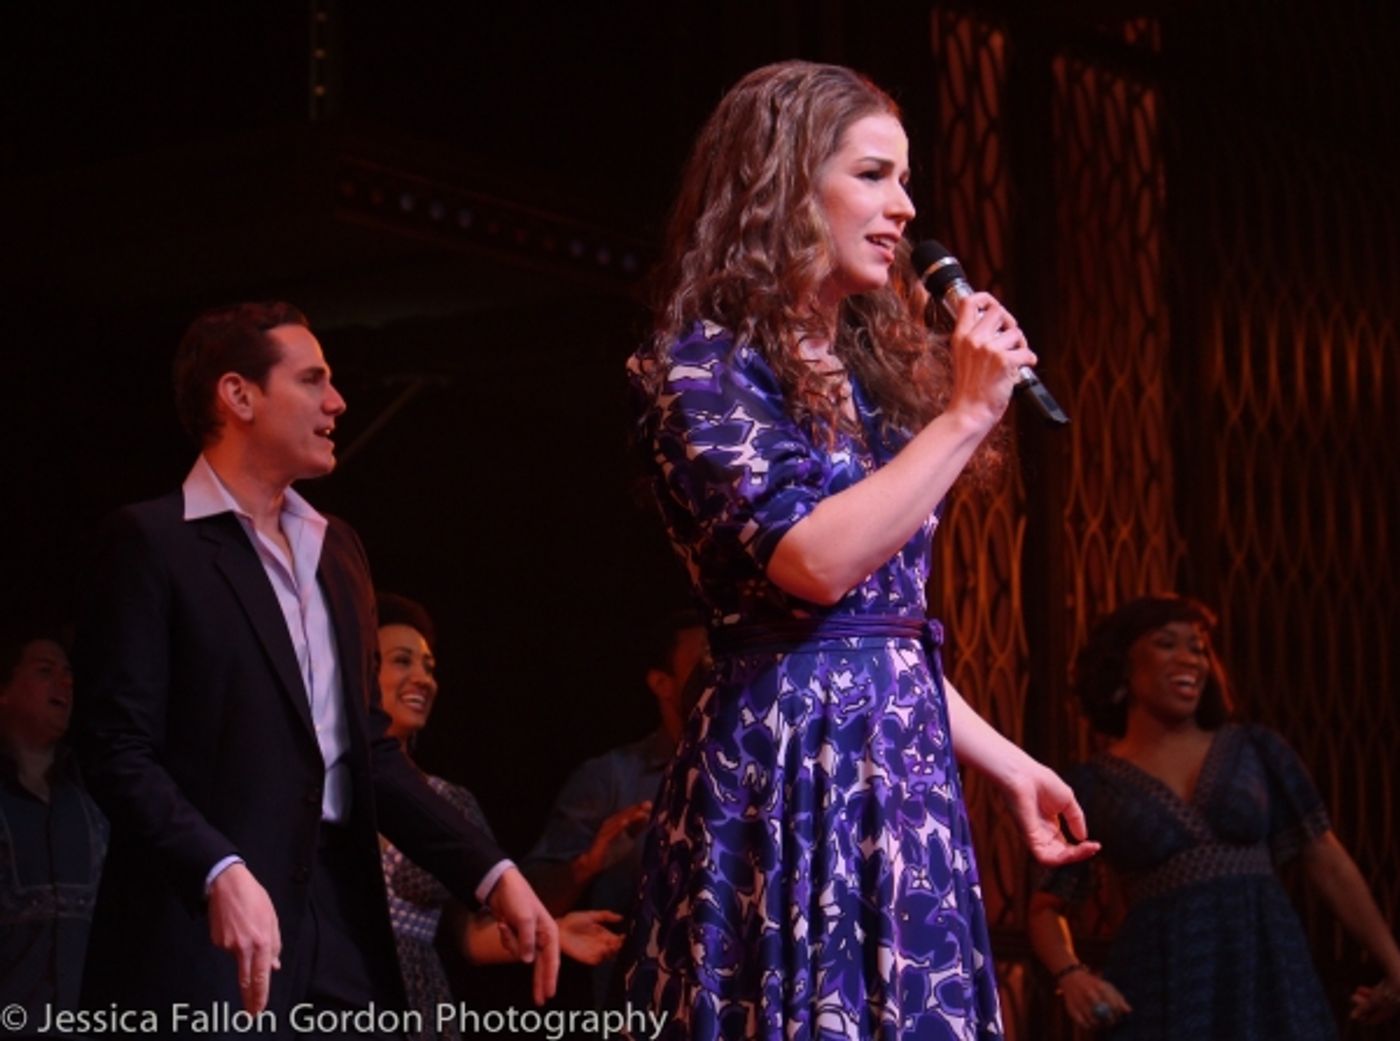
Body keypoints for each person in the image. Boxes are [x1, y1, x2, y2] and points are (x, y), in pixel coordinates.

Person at [619, 60, 1097, 1040]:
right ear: (787, 186)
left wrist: (1006, 765)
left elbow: (883, 624)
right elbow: (813, 565)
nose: (904, 209)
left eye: (905, 179)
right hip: (785, 760)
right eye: (874, 176)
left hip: (900, 762)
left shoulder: (873, 382)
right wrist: (965, 415)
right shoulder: (700, 367)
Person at [73, 302, 558, 1040]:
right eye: (312, 381)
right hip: (205, 923)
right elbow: (115, 748)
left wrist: (492, 872)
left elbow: (369, 749)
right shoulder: (154, 542)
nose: (337, 402)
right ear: (238, 396)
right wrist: (216, 868)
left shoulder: (338, 551)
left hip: (337, 918)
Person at [1027, 594, 1400, 1037]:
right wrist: (1071, 975)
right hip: (1163, 982)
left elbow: (1328, 861)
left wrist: (1394, 964)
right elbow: (1046, 907)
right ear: (1122, 663)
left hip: (1268, 969)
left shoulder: (1256, 750)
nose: (1191, 658)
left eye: (1199, 647)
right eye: (1168, 643)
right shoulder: (1091, 785)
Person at [374, 592, 622, 1040]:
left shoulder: (448, 803)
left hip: (415, 1007)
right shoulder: (323, 784)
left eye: (429, 668)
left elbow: (470, 937)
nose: (422, 679)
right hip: (328, 988)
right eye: (401, 661)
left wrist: (553, 932)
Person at [523, 610, 709, 1006]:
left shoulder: (761, 768)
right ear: (662, 683)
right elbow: (528, 903)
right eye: (705, 662)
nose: (720, 673)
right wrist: (586, 866)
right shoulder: (612, 778)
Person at [0, 630, 106, 1034]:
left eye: (69, 676)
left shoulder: (92, 798)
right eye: (45, 671)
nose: (64, 683)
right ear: (4, 691)